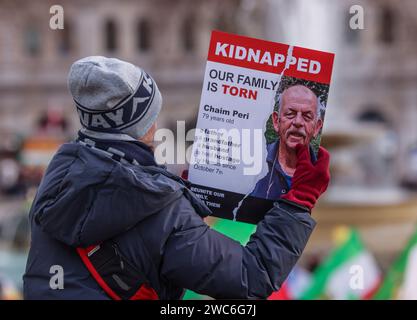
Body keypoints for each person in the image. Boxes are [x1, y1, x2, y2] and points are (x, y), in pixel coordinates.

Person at [23, 56, 330, 300]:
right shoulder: (161, 210)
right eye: (153, 114)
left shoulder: (58, 176)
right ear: (143, 123)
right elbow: (253, 277)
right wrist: (297, 204)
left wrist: (181, 196)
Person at [250, 85, 324, 200]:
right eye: (290, 114)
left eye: (307, 116)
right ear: (276, 121)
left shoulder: (322, 177)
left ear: (317, 128)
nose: (298, 122)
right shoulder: (251, 160)